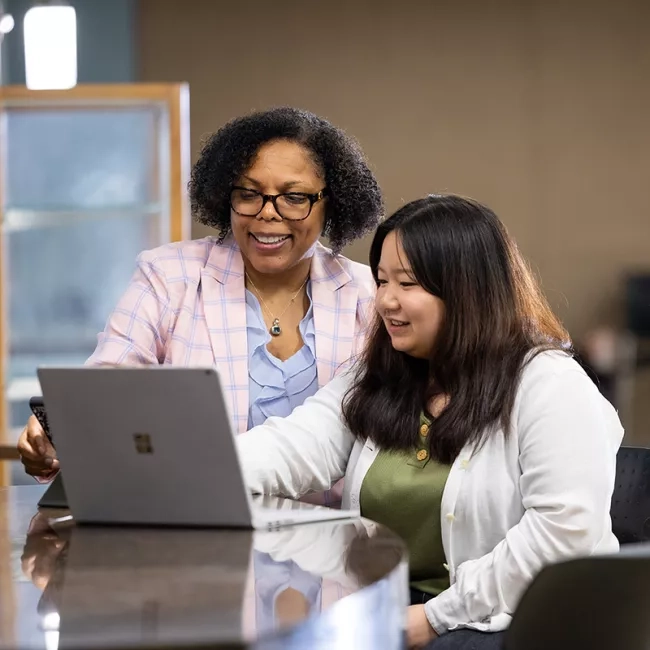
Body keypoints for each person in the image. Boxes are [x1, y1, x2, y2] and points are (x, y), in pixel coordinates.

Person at [234, 194, 624, 649]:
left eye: (408, 283)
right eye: (381, 280)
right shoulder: (380, 374)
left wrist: (437, 617)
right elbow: (294, 447)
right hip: (404, 615)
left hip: (519, 622)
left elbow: (564, 532)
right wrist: (189, 472)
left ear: (467, 290)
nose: (385, 300)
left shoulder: (549, 383)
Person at [17, 107, 383, 484]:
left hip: (330, 529)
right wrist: (60, 432)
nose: (267, 214)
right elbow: (106, 388)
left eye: (293, 197)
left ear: (332, 202)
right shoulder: (170, 275)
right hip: (189, 520)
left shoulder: (368, 295)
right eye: (248, 193)